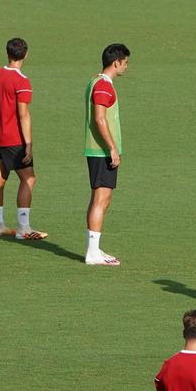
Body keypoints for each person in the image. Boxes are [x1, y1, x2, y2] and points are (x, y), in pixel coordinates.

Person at [0, 37, 47, 240]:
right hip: (14, 139)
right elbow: (23, 114)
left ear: (7, 54)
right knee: (28, 178)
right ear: (26, 55)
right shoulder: (22, 81)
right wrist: (28, 144)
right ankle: (23, 228)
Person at [84, 43, 130, 266]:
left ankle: (95, 249)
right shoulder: (103, 85)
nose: (126, 67)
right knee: (101, 201)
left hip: (97, 150)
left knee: (98, 200)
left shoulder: (96, 81)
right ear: (116, 62)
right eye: (125, 63)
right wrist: (112, 147)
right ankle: (92, 254)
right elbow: (100, 118)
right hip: (101, 151)